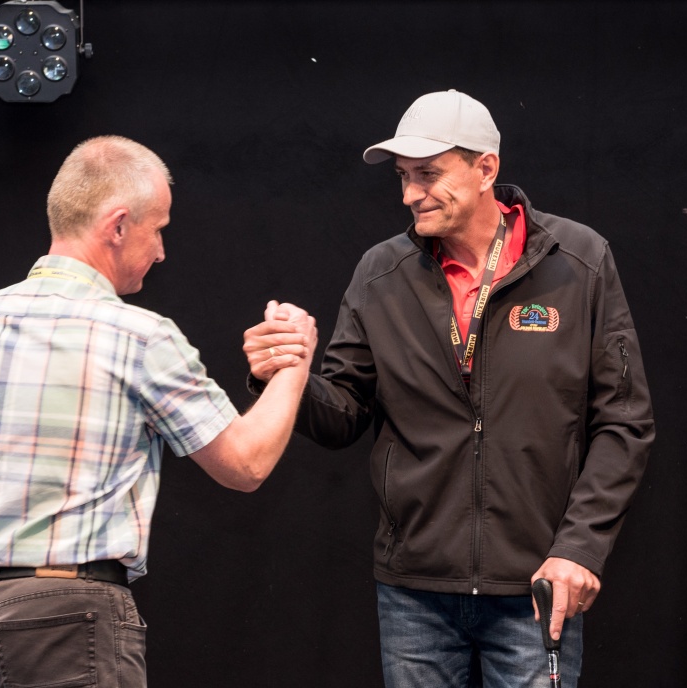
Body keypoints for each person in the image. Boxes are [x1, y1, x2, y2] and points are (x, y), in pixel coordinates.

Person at [244, 90, 654, 687]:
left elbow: (624, 421)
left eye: (428, 174)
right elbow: (343, 413)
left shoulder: (579, 261)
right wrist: (285, 376)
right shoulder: (380, 274)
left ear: (486, 168)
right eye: (403, 176)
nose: (410, 194)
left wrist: (580, 548)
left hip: (538, 585)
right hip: (415, 593)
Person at [0, 135, 316, 688]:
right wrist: (294, 362)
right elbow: (245, 464)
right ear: (118, 225)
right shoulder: (137, 336)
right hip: (64, 621)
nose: (162, 251)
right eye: (159, 229)